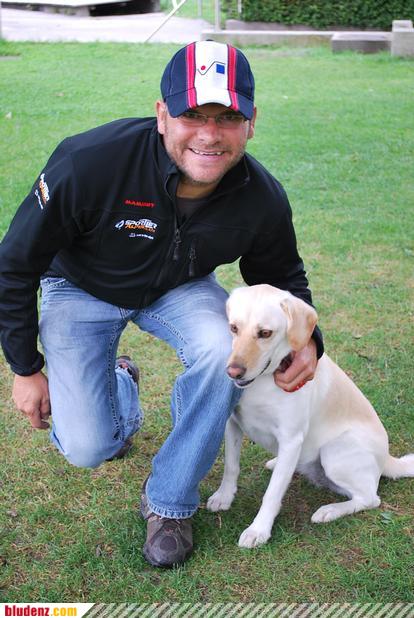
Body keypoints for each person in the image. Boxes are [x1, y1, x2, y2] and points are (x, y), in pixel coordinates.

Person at [0, 40, 323, 568]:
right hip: (79, 287)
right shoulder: (88, 163)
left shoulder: (261, 196)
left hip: (179, 288)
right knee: (88, 446)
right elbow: (13, 262)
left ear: (251, 122)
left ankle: (170, 502)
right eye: (192, 114)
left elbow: (283, 276)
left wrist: (311, 342)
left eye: (228, 117)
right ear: (161, 114)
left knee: (223, 354)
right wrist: (25, 367)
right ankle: (122, 386)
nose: (210, 134)